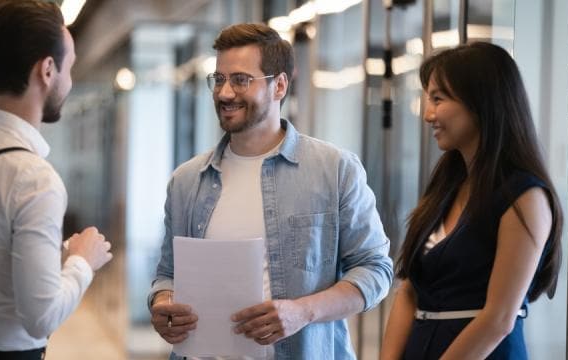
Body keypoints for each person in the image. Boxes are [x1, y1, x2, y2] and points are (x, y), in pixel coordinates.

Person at [148, 23, 393, 359]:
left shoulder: (334, 169)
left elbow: (375, 270)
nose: (224, 93)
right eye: (218, 79)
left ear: (279, 85)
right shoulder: (186, 180)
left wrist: (303, 311)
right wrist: (163, 304)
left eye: (240, 80)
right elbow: (167, 275)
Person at [0, 1, 113, 359]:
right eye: (70, 66)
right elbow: (42, 316)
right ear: (47, 70)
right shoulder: (35, 180)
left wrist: (55, 254)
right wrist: (82, 260)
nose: (70, 79)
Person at [380, 42, 563, 359]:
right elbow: (409, 288)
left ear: (481, 103)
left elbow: (498, 320)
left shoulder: (524, 197)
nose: (428, 114)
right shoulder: (445, 188)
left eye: (438, 99)